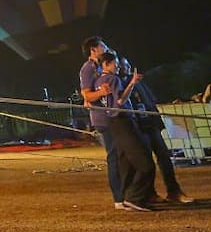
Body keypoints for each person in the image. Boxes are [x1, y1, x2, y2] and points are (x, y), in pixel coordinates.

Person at [118, 56, 192, 203]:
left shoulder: (138, 83)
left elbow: (150, 101)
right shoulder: (119, 84)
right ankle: (149, 193)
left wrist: (157, 122)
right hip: (137, 127)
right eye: (122, 65)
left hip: (150, 124)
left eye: (128, 64)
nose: (126, 67)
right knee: (145, 162)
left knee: (164, 156)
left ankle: (174, 190)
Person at [95, 52, 156, 211]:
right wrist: (132, 83)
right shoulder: (113, 79)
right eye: (115, 63)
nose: (118, 66)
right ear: (107, 63)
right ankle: (135, 197)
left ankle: (126, 197)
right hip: (123, 121)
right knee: (145, 162)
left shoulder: (98, 81)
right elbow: (121, 101)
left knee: (125, 162)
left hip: (112, 123)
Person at [79, 36, 124, 208]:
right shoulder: (87, 69)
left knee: (122, 155)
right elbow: (86, 95)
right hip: (103, 119)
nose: (106, 48)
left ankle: (126, 194)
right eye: (103, 46)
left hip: (113, 116)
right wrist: (100, 93)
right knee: (114, 156)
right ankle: (118, 198)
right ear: (93, 49)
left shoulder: (104, 65)